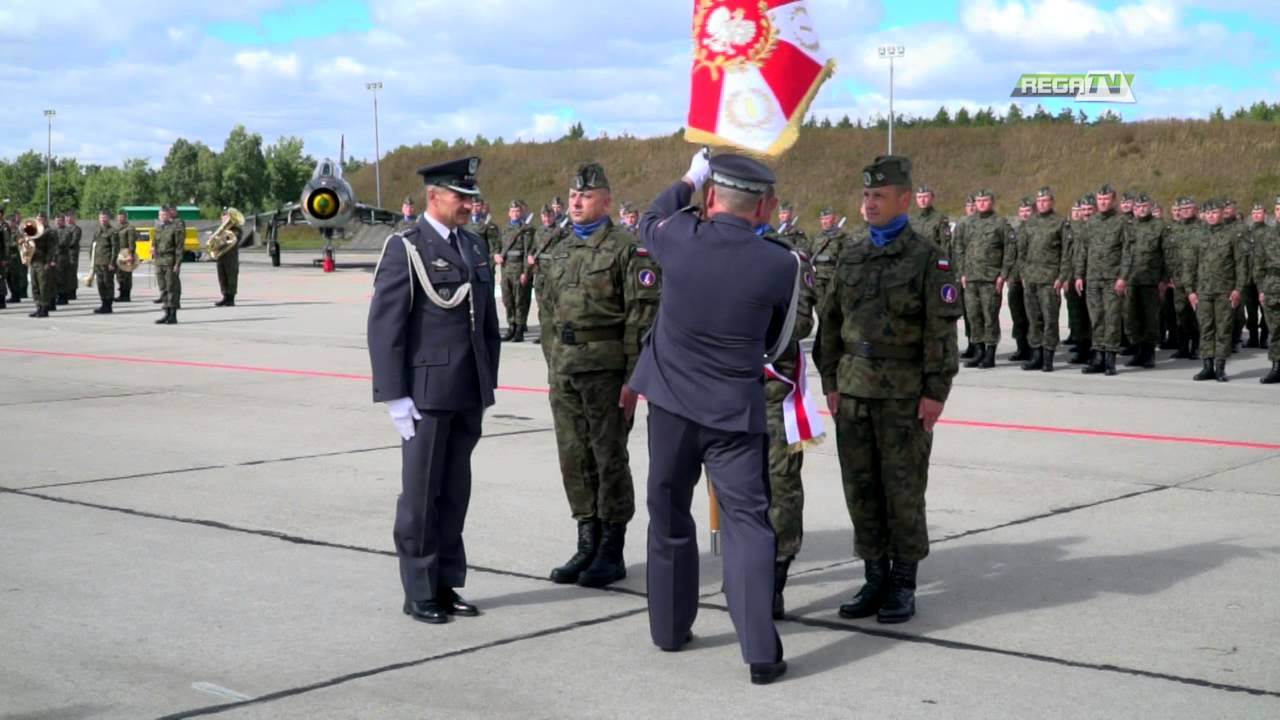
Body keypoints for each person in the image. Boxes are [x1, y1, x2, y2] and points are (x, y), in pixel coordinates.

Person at [633, 150, 798, 685]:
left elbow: (649, 217)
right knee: (748, 525)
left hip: (671, 408)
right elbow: (777, 342)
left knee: (669, 514)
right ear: (765, 208)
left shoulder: (678, 239)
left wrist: (688, 174)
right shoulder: (779, 263)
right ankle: (759, 652)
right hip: (733, 413)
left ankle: (669, 629)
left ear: (709, 197)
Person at [816, 155, 962, 626]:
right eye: (865, 195)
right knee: (861, 489)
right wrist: (831, 382)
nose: (870, 203)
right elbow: (830, 322)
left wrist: (935, 391)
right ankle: (874, 576)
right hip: (854, 391)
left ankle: (902, 583)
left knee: (903, 489)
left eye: (879, 195)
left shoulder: (927, 258)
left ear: (904, 199)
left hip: (903, 393)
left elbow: (940, 333)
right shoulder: (851, 252)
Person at [366, 156, 500, 625]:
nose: (469, 205)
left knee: (454, 492)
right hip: (425, 394)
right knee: (421, 496)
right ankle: (419, 590)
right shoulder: (406, 248)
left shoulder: (474, 246)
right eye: (461, 198)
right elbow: (385, 327)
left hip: (466, 391)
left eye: (471, 197)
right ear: (434, 197)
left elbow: (486, 326)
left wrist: (487, 383)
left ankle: (446, 582)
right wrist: (395, 395)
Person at [540, 163, 660, 589]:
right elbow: (547, 312)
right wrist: (552, 362)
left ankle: (612, 546)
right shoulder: (556, 246)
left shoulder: (628, 249)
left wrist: (633, 380)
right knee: (574, 457)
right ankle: (586, 539)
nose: (575, 201)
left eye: (586, 196)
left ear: (606, 201)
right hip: (566, 368)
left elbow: (641, 319)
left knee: (609, 458)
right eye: (573, 194)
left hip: (607, 372)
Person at [1184, 200, 1245, 381]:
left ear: (1222, 214)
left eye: (1214, 212)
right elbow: (1190, 265)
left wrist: (1238, 289)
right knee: (1205, 329)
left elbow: (1241, 264)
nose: (1211, 216)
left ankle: (1220, 367)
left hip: (1224, 291)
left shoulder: (1232, 235)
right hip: (1203, 291)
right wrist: (1190, 290)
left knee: (1223, 329)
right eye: (1208, 213)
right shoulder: (1198, 236)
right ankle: (1207, 366)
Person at [955, 189, 1011, 368]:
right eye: (978, 201)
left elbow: (1010, 250)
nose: (981, 203)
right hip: (971, 278)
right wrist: (962, 272)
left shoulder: (1000, 223)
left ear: (992, 202)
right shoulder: (967, 223)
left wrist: (1003, 275)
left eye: (985, 200)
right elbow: (959, 248)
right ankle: (978, 351)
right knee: (973, 316)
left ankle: (990, 353)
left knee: (990, 316)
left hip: (990, 278)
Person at [1018, 187, 1069, 372]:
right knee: (1034, 319)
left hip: (1050, 279)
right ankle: (1036, 355)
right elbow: (1021, 251)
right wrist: (1024, 273)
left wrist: (1062, 276)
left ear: (1052, 202)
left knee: (1050, 320)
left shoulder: (1060, 222)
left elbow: (1066, 252)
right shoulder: (1029, 223)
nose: (1042, 204)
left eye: (1045, 201)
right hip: (1031, 278)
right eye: (1039, 201)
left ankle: (1048, 357)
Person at [1118, 194, 1168, 368]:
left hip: (1151, 280)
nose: (1141, 210)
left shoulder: (1159, 226)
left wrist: (1164, 279)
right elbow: (1124, 253)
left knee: (1150, 318)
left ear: (1150, 207)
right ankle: (1138, 350)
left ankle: (1149, 354)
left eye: (1144, 206)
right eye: (1138, 207)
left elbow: (1167, 255)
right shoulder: (1128, 226)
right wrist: (1122, 277)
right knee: (1131, 317)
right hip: (1132, 279)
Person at [496, 200, 536, 342]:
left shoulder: (527, 229)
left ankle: (519, 329)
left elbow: (528, 252)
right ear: (509, 213)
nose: (515, 214)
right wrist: (497, 254)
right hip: (506, 269)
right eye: (513, 211)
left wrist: (526, 272)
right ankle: (511, 326)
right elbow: (498, 246)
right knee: (508, 300)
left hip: (519, 268)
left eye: (518, 211)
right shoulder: (505, 228)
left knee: (520, 300)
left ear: (521, 213)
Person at [153, 206, 184, 324]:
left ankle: (173, 315)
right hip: (159, 261)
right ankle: (166, 313)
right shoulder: (158, 228)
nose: (162, 217)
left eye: (164, 214)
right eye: (160, 215)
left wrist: (178, 264)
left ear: (169, 215)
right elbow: (155, 242)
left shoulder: (175, 228)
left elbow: (179, 248)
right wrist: (153, 249)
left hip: (170, 261)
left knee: (172, 288)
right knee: (163, 288)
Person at [214, 207, 243, 307]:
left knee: (231, 278)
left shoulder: (236, 229)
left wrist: (220, 239)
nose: (225, 220)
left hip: (231, 258)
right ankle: (225, 296)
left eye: (227, 218)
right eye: (223, 218)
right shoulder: (220, 230)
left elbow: (234, 240)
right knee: (222, 277)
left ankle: (231, 298)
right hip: (221, 257)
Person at [90, 211, 119, 314]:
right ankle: (103, 303)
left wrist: (112, 263)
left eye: (105, 217)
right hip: (98, 262)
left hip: (107, 263)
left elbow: (115, 248)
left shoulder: (112, 231)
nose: (103, 219)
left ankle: (108, 305)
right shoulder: (97, 230)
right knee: (100, 284)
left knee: (108, 283)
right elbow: (93, 246)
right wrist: (92, 261)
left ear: (109, 219)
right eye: (101, 218)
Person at [115, 211, 139, 302]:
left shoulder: (130, 228)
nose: (120, 219)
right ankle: (121, 294)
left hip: (126, 253)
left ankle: (126, 295)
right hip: (119, 254)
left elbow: (132, 242)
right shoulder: (117, 228)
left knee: (126, 275)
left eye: (122, 217)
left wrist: (131, 254)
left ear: (126, 218)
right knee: (119, 275)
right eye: (119, 217)